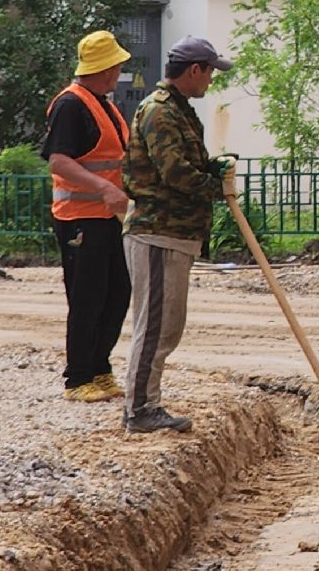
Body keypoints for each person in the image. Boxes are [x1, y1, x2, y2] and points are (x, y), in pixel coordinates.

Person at [118, 37, 232, 435]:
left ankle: (146, 403)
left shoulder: (179, 111)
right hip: (157, 232)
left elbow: (187, 163)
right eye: (211, 71)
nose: (212, 80)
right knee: (155, 326)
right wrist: (216, 187)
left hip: (175, 233)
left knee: (168, 325)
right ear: (195, 70)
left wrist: (212, 168)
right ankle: (139, 410)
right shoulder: (160, 112)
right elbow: (175, 173)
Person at [42, 31, 135, 403]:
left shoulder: (103, 104)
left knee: (116, 294)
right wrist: (103, 187)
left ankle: (99, 368)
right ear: (105, 68)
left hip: (107, 217)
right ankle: (78, 378)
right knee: (87, 298)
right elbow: (59, 160)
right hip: (81, 217)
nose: (120, 71)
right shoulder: (71, 105)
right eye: (117, 65)